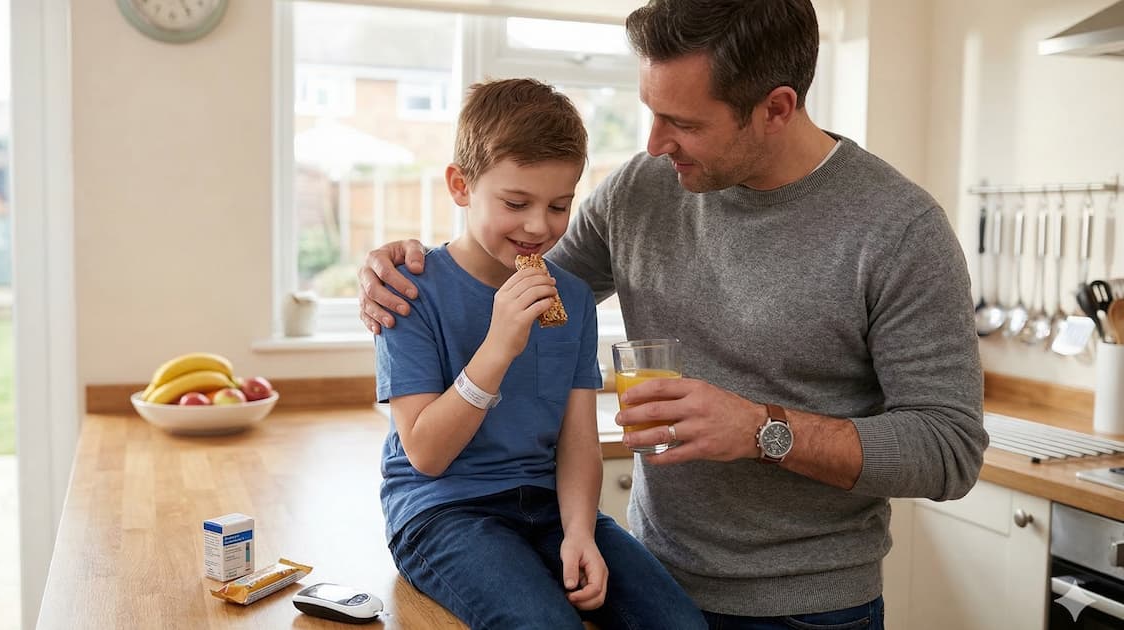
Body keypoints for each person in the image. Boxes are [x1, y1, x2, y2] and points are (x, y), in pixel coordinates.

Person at [360, 1, 988, 628]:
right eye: (651, 112)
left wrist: (760, 428)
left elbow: (950, 450)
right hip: (647, 574)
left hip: (809, 608)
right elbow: (517, 272)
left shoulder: (899, 230)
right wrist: (395, 266)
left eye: (680, 121)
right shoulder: (643, 189)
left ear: (775, 108)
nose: (655, 144)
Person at [374, 78, 706, 630]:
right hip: (444, 511)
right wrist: (499, 344)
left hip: (550, 505)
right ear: (461, 186)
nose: (538, 226)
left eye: (559, 205)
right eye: (515, 203)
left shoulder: (571, 297)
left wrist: (580, 532)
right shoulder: (411, 292)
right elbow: (427, 455)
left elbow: (578, 441)